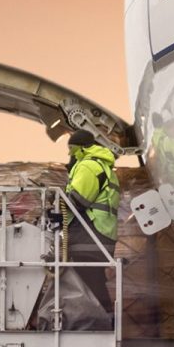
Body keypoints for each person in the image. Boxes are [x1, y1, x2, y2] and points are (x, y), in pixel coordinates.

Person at [61, 129, 120, 327]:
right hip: (100, 232)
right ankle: (106, 319)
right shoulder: (102, 165)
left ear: (79, 147)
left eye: (71, 149)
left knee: (86, 279)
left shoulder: (87, 165)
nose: (69, 154)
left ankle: (100, 321)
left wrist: (56, 201)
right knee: (93, 277)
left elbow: (78, 200)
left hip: (90, 233)